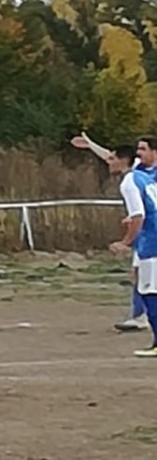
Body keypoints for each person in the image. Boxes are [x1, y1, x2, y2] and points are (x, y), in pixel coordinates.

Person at [72, 133, 157, 332]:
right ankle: (141, 315)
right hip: (147, 231)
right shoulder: (139, 170)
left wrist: (136, 223)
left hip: (150, 231)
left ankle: (144, 316)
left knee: (147, 275)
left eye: (143, 149)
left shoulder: (143, 176)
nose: (139, 153)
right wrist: (91, 145)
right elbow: (114, 158)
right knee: (139, 274)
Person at [104, 145, 157, 357]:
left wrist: (125, 242)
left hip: (152, 244)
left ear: (123, 160)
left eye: (112, 158)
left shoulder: (130, 182)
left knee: (150, 293)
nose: (109, 162)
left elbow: (139, 215)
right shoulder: (144, 178)